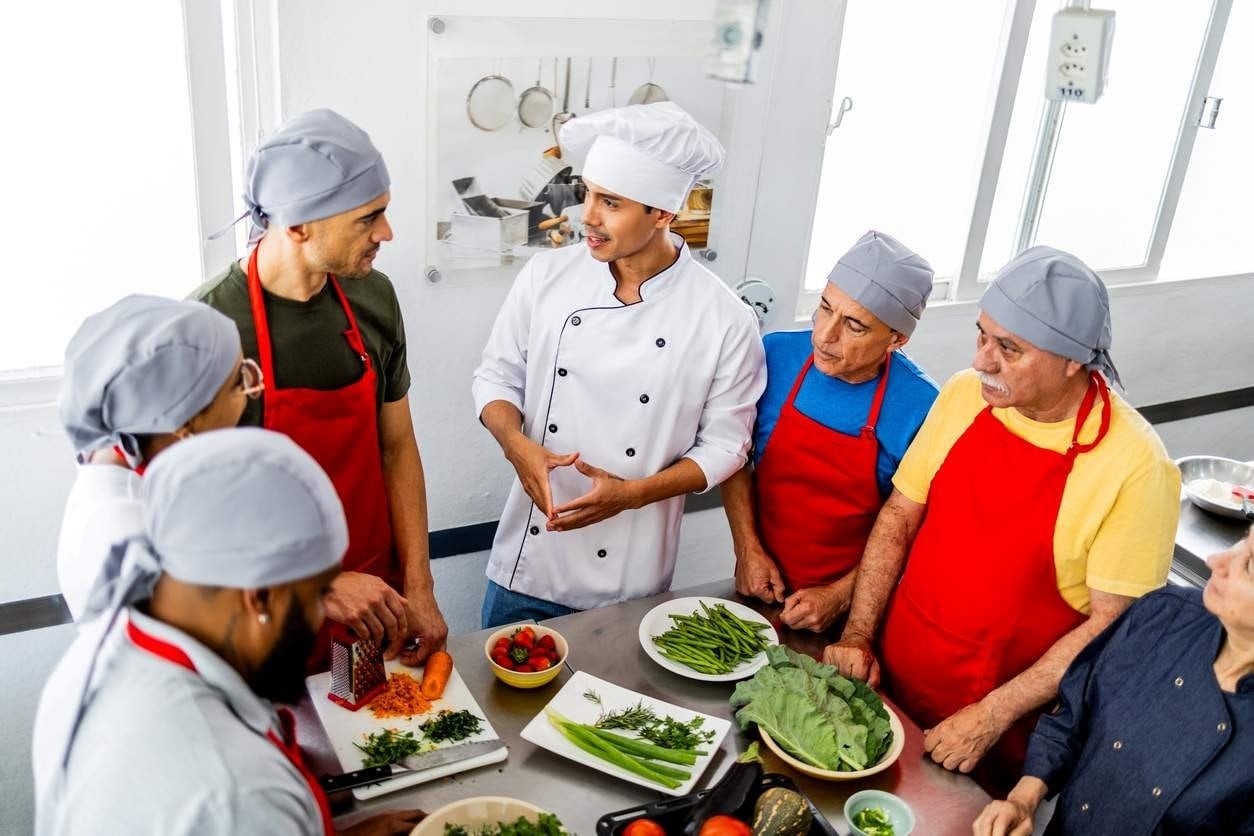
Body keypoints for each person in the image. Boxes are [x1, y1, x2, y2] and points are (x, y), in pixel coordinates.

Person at [824, 246, 1181, 778]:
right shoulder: (964, 396)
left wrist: (991, 716)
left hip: (994, 730)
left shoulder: (1137, 464)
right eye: (982, 336)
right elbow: (900, 515)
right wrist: (859, 635)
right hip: (889, 680)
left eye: (1009, 349)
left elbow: (1110, 624)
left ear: (1073, 360)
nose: (981, 361)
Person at [32, 428, 424, 835]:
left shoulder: (102, 647)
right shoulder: (239, 791)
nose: (317, 621)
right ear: (259, 596)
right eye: (316, 594)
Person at [473, 102, 766, 627]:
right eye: (587, 193)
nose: (587, 215)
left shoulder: (725, 319)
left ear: (663, 213)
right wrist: (517, 448)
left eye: (610, 202)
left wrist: (631, 496)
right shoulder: (547, 278)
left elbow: (727, 447)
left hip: (629, 582)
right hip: (527, 564)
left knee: (611, 711)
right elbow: (496, 377)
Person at [195, 109, 446, 665]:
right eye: (368, 218)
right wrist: (321, 584)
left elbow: (397, 446)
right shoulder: (206, 329)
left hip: (373, 607)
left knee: (370, 743)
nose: (387, 233)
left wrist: (419, 585)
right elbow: (192, 512)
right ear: (299, 224)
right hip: (262, 619)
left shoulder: (373, 299)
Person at [723, 231, 938, 634]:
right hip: (758, 587)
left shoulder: (921, 408)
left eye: (854, 326)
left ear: (897, 338)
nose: (824, 335)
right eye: (825, 308)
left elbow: (916, 531)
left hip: (859, 612)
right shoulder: (776, 355)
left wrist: (842, 596)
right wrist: (746, 548)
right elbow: (732, 454)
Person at [973, 529, 1254, 835]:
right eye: (1241, 541)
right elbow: (1073, 717)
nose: (1216, 561)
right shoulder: (1165, 615)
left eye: (1249, 565)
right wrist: (1023, 801)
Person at [56, 295, 257, 620]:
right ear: (184, 421)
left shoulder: (107, 473)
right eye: (239, 381)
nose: (252, 390)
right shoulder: (134, 542)